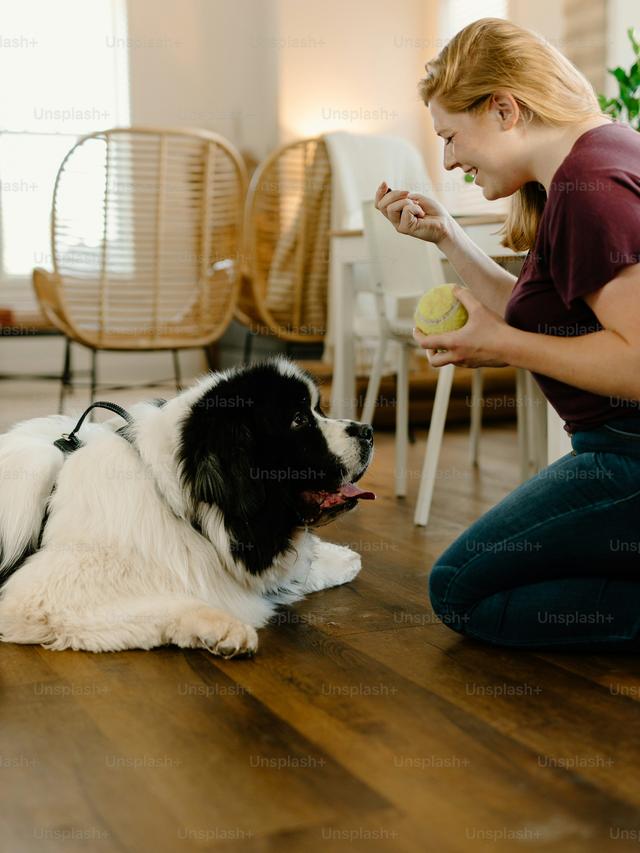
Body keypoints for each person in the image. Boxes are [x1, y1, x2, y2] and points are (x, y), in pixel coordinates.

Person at [375, 17, 640, 650]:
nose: (448, 159)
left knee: (460, 589)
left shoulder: (591, 191)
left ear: (502, 109)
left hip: (627, 456)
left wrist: (499, 347)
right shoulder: (595, 158)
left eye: (450, 137)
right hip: (619, 446)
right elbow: (541, 315)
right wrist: (447, 235)